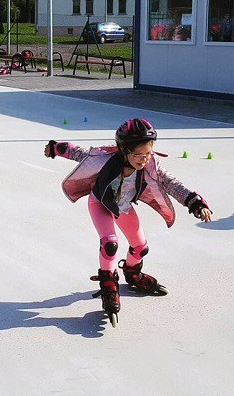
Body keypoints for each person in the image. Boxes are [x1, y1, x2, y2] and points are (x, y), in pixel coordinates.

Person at [44, 118, 212, 326]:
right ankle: (109, 285)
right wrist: (55, 148)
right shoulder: (105, 160)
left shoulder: (151, 164)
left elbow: (170, 182)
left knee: (140, 248)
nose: (144, 159)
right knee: (110, 243)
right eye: (138, 154)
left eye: (148, 152)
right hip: (100, 204)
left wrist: (194, 203)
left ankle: (132, 273)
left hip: (122, 207)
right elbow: (78, 152)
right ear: (124, 151)